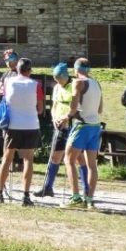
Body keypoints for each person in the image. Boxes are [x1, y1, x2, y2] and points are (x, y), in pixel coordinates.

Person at [0, 57, 43, 206]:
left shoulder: (8, 82)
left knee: (7, 159)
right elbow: (40, 109)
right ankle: (26, 196)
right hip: (30, 125)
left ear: (17, 69)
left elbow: (1, 94)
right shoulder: (36, 85)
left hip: (13, 125)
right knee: (28, 160)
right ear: (30, 70)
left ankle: (0, 192)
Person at [35, 62, 84, 197]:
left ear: (65, 75)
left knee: (79, 158)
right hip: (59, 125)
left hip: (72, 125)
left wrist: (65, 118)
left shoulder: (74, 86)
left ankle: (86, 189)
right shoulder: (56, 87)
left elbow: (76, 106)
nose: (57, 81)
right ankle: (48, 187)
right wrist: (54, 119)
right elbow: (54, 105)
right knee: (55, 156)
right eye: (55, 78)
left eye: (59, 78)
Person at [65, 57, 104, 209]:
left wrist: (66, 117)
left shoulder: (78, 82)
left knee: (69, 160)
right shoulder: (97, 84)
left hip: (82, 126)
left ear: (76, 69)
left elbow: (73, 107)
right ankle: (89, 199)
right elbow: (100, 109)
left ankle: (75, 197)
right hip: (95, 126)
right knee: (91, 165)